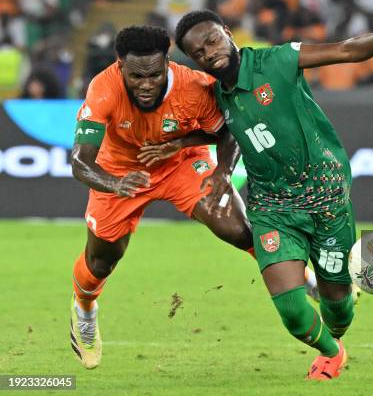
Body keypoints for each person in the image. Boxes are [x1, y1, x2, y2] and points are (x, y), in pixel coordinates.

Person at [163, 10, 373, 380]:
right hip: (272, 206)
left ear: (227, 32)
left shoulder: (278, 60)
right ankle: (332, 353)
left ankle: (340, 313)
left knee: (338, 308)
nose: (208, 53)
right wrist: (216, 167)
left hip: (326, 196)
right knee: (291, 309)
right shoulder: (214, 93)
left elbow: (348, 51)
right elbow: (224, 132)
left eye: (211, 40)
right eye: (198, 52)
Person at [69, 25, 318, 370]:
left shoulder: (194, 86)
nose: (146, 84)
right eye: (136, 76)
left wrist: (221, 172)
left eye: (155, 74)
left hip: (182, 164)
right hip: (121, 173)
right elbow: (81, 162)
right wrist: (114, 184)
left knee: (236, 228)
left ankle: (305, 280)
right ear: (119, 65)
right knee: (102, 262)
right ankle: (84, 309)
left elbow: (226, 130)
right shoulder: (103, 88)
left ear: (168, 63)